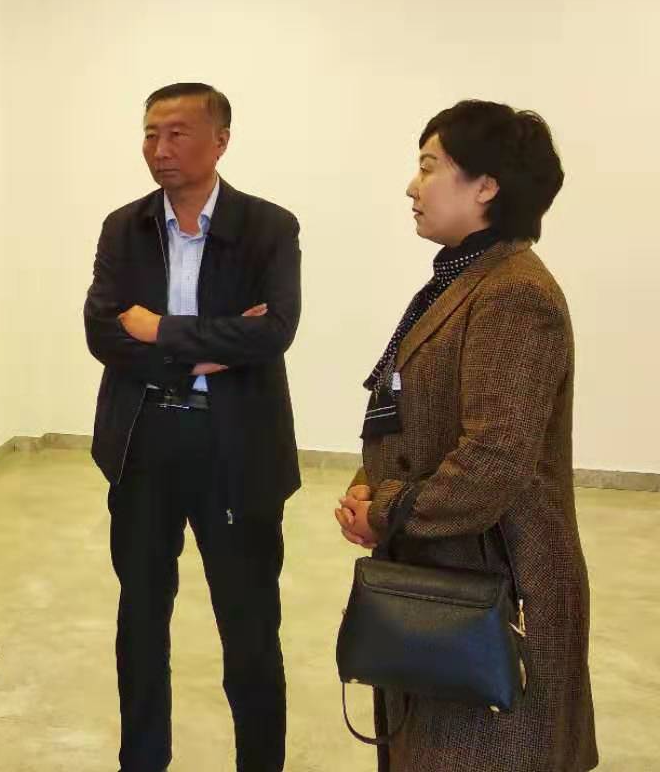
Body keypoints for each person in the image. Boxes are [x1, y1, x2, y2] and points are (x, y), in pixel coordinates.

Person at [337, 100, 596, 772]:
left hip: (499, 587)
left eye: (429, 167)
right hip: (446, 575)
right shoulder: (465, 279)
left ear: (486, 186)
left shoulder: (513, 294)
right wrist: (369, 486)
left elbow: (492, 462)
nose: (412, 186)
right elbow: (413, 416)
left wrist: (386, 508)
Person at [83, 82, 302, 772]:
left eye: (177, 133)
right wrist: (208, 349)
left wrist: (160, 331)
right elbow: (101, 332)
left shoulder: (269, 227)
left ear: (220, 141)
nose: (160, 148)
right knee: (141, 621)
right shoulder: (124, 226)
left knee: (249, 627)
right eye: (150, 133)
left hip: (236, 449)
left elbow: (274, 332)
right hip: (143, 442)